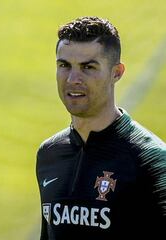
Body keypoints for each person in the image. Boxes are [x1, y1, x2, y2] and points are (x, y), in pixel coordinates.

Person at [36, 16, 166, 239]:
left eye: (88, 67)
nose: (73, 79)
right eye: (64, 65)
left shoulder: (152, 159)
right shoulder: (49, 154)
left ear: (117, 72)